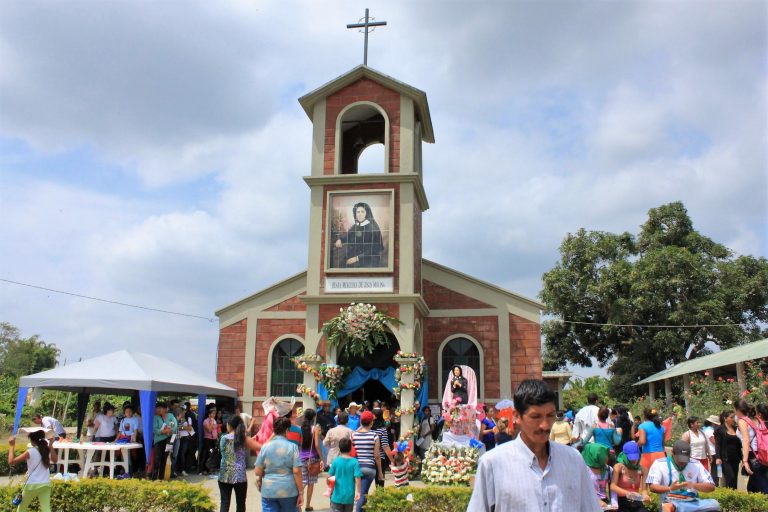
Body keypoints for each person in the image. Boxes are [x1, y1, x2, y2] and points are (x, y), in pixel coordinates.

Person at [467, 379, 602, 511]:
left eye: (550, 415)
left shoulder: (573, 460)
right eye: (535, 416)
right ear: (517, 416)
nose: (544, 425)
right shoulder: (492, 464)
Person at [647, 440, 716, 512]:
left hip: (692, 503)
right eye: (680, 459)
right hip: (671, 502)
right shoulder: (659, 463)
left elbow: (711, 487)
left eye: (685, 459)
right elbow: (652, 487)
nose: (683, 462)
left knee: (714, 504)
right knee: (669, 507)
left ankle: (684, 508)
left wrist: (693, 485)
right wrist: (670, 488)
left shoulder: (696, 464)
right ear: (672, 452)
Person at [255, 416, 303, 512]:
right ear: (287, 430)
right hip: (289, 491)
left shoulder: (265, 447)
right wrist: (301, 492)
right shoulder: (293, 447)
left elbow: (258, 471)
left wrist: (261, 480)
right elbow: (296, 471)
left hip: (269, 491)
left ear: (274, 430)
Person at [218, 414, 260, 512]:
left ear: (229, 425)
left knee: (224, 503)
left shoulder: (223, 438)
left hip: (225, 475)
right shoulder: (243, 439)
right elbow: (261, 447)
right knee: (240, 504)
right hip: (240, 477)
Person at [7, 430, 58, 512]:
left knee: (21, 509)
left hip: (32, 485)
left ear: (32, 440)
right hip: (45, 484)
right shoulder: (47, 449)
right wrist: (51, 445)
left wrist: (11, 446)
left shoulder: (30, 451)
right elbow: (55, 460)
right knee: (46, 509)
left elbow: (11, 461)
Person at [333, 202, 385, 268]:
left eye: (362, 212)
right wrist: (340, 240)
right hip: (355, 257)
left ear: (367, 213)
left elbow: (374, 249)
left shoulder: (373, 228)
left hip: (369, 260)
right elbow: (348, 236)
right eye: (358, 212)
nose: (360, 214)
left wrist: (357, 258)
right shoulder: (356, 226)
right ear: (355, 213)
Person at [352, 410, 383, 512]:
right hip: (369, 467)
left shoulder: (354, 435)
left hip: (356, 467)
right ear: (371, 422)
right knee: (363, 494)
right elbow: (377, 456)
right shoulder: (374, 436)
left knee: (361, 493)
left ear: (361, 422)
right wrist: (380, 472)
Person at [735, 400, 768, 494]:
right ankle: (753, 505)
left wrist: (744, 460)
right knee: (753, 485)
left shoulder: (742, 421)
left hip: (752, 455)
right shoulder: (757, 419)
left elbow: (746, 440)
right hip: (762, 452)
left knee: (762, 486)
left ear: (738, 410)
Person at [611, 441, 651, 512]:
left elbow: (644, 489)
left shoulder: (643, 469)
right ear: (624, 455)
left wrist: (645, 496)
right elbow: (613, 486)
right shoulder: (619, 467)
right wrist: (628, 493)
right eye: (631, 458)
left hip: (637, 501)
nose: (633, 460)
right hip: (622, 501)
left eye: (635, 457)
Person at [328, 437, 362, 512]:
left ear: (339, 448)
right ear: (350, 448)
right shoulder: (355, 462)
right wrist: (359, 492)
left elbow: (329, 476)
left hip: (336, 496)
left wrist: (329, 488)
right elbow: (357, 478)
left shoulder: (335, 461)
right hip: (349, 497)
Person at [299, 409, 323, 511]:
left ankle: (296, 502)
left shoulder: (300, 428)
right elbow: (317, 445)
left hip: (301, 457)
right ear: (313, 417)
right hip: (313, 458)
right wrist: (322, 458)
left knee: (303, 482)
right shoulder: (315, 428)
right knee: (310, 483)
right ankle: (308, 505)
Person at [582, 443, 618, 509]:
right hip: (589, 502)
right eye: (603, 455)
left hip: (604, 503)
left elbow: (613, 488)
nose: (606, 458)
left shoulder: (608, 469)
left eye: (606, 455)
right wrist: (597, 501)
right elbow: (583, 490)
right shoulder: (584, 469)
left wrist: (614, 504)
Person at [714, 409, 741, 489]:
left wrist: (742, 458)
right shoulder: (720, 429)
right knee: (730, 478)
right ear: (725, 418)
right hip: (725, 458)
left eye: (734, 417)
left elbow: (739, 444)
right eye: (731, 417)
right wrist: (718, 457)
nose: (733, 419)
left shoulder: (736, 428)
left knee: (735, 479)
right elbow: (717, 444)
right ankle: (729, 496)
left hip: (735, 458)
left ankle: (734, 496)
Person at [150, 402, 173, 481]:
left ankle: (161, 478)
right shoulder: (155, 417)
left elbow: (174, 425)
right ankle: (154, 478)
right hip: (158, 441)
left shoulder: (170, 416)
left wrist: (170, 429)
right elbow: (155, 429)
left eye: (161, 408)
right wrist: (163, 431)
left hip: (168, 441)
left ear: (165, 409)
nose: (159, 410)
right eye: (158, 408)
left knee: (164, 459)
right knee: (157, 459)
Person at [372, 408, 393, 488]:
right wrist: (392, 460)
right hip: (380, 458)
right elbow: (385, 446)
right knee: (380, 482)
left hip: (368, 458)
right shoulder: (382, 429)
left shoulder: (368, 429)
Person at [200, 406, 219, 475]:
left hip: (213, 440)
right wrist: (211, 422)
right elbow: (209, 429)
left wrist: (217, 437)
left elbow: (215, 430)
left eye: (215, 414)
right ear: (209, 414)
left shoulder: (214, 421)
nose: (214, 415)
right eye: (213, 413)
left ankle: (210, 468)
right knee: (207, 454)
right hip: (208, 440)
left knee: (212, 455)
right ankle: (204, 469)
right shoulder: (206, 421)